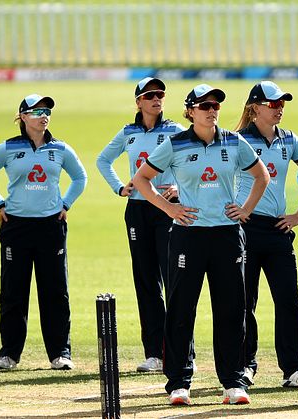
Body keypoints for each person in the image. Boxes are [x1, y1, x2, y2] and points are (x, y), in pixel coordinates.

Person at [132, 84, 269, 406]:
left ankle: (233, 382)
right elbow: (141, 180)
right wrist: (169, 209)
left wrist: (245, 209)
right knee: (181, 309)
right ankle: (179, 383)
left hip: (226, 234)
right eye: (205, 106)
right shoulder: (175, 143)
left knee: (232, 310)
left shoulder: (234, 142)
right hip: (187, 235)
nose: (212, 110)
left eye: (216, 106)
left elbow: (261, 176)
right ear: (191, 111)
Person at [0, 94, 87, 371]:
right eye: (37, 111)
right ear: (23, 116)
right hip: (17, 227)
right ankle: (9, 354)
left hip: (50, 225)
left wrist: (66, 204)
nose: (43, 115)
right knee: (13, 291)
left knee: (55, 291)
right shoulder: (8, 148)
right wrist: (0, 204)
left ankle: (60, 353)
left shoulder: (60, 148)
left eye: (47, 110)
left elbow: (80, 177)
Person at [96, 77, 187, 373]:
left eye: (160, 94)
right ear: (138, 102)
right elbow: (103, 160)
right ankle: (154, 353)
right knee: (146, 282)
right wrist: (118, 187)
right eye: (149, 95)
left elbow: (192, 160)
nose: (156, 99)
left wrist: (179, 188)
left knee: (174, 280)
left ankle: (183, 353)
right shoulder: (129, 132)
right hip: (137, 210)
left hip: (167, 210)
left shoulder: (175, 130)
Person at [234, 81, 298, 388]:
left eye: (282, 104)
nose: (279, 109)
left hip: (279, 231)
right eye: (273, 104)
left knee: (288, 301)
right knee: (245, 302)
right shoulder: (237, 140)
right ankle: (245, 365)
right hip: (246, 230)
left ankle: (293, 368)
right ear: (256, 107)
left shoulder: (290, 140)